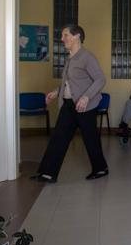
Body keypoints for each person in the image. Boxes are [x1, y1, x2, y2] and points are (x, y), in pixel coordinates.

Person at [30, 25, 109, 183]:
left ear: (77, 36)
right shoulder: (70, 58)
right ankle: (47, 173)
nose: (62, 39)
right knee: (59, 137)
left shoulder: (87, 57)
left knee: (90, 138)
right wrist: (57, 91)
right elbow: (70, 82)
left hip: (84, 106)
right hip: (68, 104)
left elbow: (100, 79)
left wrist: (86, 97)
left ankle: (100, 169)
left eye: (65, 35)